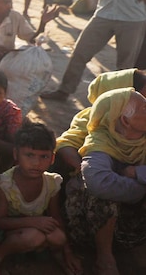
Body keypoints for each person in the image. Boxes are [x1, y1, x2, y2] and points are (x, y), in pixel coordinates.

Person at [62, 89, 146, 275]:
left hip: (133, 230)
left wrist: (138, 172)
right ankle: (105, 258)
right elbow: (99, 182)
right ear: (125, 121)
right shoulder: (100, 142)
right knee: (102, 191)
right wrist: (140, 188)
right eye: (144, 108)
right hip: (88, 229)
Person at [0, 121, 80, 275]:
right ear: (16, 154)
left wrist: (67, 252)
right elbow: (0, 220)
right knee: (34, 237)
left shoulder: (52, 182)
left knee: (59, 237)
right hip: (11, 233)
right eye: (29, 155)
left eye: (43, 156)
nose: (36, 163)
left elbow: (55, 216)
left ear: (52, 159)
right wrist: (34, 222)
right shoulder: (6, 183)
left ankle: (58, 256)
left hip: (37, 229)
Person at [0, 0, 59, 66]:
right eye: (5, 3)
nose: (9, 6)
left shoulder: (15, 17)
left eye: (10, 2)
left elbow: (31, 39)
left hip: (7, 59)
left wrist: (43, 23)